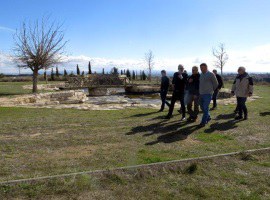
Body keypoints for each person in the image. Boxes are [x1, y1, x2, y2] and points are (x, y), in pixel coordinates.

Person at [198, 63, 218, 127]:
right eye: (200, 68)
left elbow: (215, 83)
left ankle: (203, 122)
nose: (201, 69)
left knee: (206, 108)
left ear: (206, 67)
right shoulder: (201, 74)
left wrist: (211, 90)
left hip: (208, 94)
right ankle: (208, 117)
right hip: (201, 93)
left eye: (202, 68)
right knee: (202, 107)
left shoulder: (211, 74)